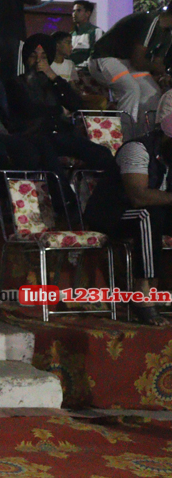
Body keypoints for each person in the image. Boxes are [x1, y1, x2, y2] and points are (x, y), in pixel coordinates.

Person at [84, 91, 172, 326]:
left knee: (153, 214)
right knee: (146, 214)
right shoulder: (138, 149)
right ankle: (143, 291)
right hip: (112, 213)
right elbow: (138, 196)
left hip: (154, 213)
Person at [16, 34, 116, 181]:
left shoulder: (53, 82)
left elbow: (76, 105)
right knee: (50, 158)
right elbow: (28, 110)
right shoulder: (17, 83)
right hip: (37, 135)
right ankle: (65, 195)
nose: (38, 61)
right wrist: (57, 110)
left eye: (43, 57)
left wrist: (53, 76)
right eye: (33, 56)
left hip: (62, 134)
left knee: (103, 154)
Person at [87, 12, 167, 137]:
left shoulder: (167, 33)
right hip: (105, 57)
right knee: (131, 89)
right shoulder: (151, 21)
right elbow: (138, 61)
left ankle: (144, 137)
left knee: (152, 92)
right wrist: (161, 69)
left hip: (126, 62)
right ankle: (125, 137)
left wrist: (162, 73)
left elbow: (157, 64)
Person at [69, 0, 101, 67]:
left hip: (87, 72)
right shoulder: (71, 34)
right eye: (73, 11)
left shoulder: (96, 32)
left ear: (88, 13)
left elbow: (97, 56)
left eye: (78, 10)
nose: (74, 14)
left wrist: (80, 67)